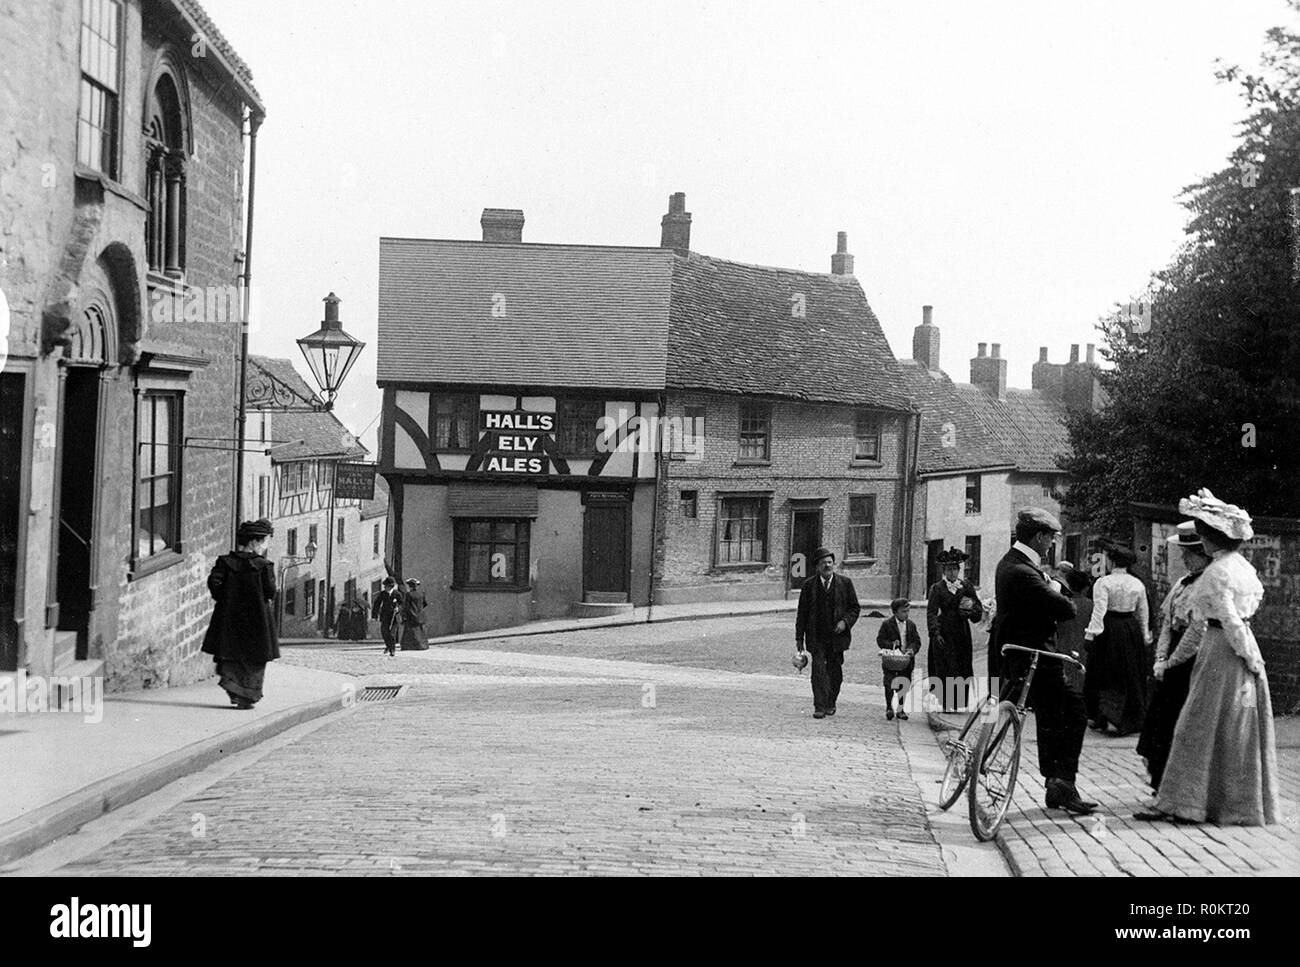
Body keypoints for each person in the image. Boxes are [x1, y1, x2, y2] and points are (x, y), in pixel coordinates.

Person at [1138, 489, 1280, 826]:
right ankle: (1220, 803)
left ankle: (1187, 803)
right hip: (1239, 645)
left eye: (1202, 534)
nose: (1199, 541)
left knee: (1196, 725)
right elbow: (1248, 611)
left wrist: (1246, 654)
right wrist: (1251, 655)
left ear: (1212, 538)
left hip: (1220, 647)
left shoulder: (1216, 572)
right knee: (1230, 726)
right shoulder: (1242, 566)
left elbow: (1228, 620)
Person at [989, 508, 1095, 814]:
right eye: (1050, 537)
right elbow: (1067, 610)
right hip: (1034, 659)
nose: (1051, 544)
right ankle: (1062, 782)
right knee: (1074, 711)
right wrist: (1053, 588)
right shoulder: (1024, 572)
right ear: (1038, 537)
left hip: (1021, 656)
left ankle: (1056, 785)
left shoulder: (1013, 562)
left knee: (1051, 719)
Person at [1136, 523, 1211, 792]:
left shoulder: (1207, 585)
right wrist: (1160, 657)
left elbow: (1196, 631)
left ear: (1204, 554)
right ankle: (1159, 779)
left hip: (1192, 662)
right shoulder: (1181, 583)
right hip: (1172, 659)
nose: (1184, 558)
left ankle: (1178, 784)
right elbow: (1167, 622)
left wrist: (1171, 662)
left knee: (1181, 720)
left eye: (1189, 553)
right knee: (1161, 720)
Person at [201, 519, 280, 709]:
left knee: (231, 655)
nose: (264, 547)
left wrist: (227, 599)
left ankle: (235, 691)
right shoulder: (263, 566)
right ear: (254, 542)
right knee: (254, 659)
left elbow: (215, 584)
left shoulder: (225, 562)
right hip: (257, 621)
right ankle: (248, 695)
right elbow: (270, 591)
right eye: (264, 542)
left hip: (229, 619)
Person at [1082, 541, 1152, 736]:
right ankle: (1129, 719)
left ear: (1112, 562)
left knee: (1103, 671)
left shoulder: (1104, 582)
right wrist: (1144, 633)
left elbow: (1100, 609)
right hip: (1130, 629)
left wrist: (1091, 633)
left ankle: (1099, 716)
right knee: (1130, 673)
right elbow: (1143, 611)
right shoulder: (1137, 584)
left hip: (1109, 629)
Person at [795, 547, 861, 719]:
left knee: (835, 672)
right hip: (816, 636)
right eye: (823, 563)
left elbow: (854, 608)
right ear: (817, 566)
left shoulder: (845, 584)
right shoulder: (809, 586)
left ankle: (831, 702)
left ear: (834, 564)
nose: (827, 565)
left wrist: (844, 622)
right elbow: (801, 613)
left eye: (830, 562)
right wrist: (799, 639)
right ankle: (819, 706)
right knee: (818, 671)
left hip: (837, 637)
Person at [925, 547, 983, 712]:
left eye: (955, 569)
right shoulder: (937, 588)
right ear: (944, 572)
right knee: (945, 666)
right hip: (944, 631)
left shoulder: (966, 586)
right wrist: (935, 632)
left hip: (961, 632)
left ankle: (959, 703)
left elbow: (977, 607)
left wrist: (971, 610)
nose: (952, 573)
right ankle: (945, 703)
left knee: (961, 665)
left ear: (959, 570)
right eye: (949, 570)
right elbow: (932, 612)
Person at [877, 597, 922, 720]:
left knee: (904, 683)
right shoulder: (887, 624)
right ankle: (889, 707)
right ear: (895, 612)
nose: (906, 614)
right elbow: (880, 640)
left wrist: (912, 650)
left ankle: (900, 709)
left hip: (906, 660)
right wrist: (891, 644)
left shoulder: (911, 625)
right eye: (903, 611)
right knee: (889, 683)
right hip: (891, 660)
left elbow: (916, 641)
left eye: (908, 611)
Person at [372, 577, 403, 656]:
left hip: (394, 617)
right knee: (384, 632)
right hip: (385, 616)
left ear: (390, 586)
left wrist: (398, 609)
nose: (384, 587)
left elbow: (402, 604)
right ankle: (388, 646)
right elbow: (377, 604)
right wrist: (374, 615)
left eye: (385, 586)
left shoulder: (397, 594)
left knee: (392, 634)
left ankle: (392, 650)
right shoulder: (383, 594)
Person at [399, 577, 429, 651]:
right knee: (420, 632)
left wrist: (404, 615)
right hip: (420, 616)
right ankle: (423, 646)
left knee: (410, 633)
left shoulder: (409, 594)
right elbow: (425, 604)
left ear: (410, 586)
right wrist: (419, 610)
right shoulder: (421, 593)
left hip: (411, 616)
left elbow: (406, 606)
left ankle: (410, 647)